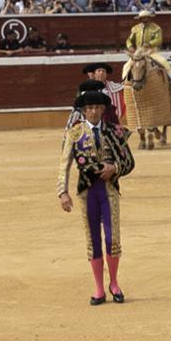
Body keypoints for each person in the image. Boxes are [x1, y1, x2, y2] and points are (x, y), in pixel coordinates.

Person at [57, 87, 135, 306]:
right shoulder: (74, 133)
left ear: (102, 109)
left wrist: (115, 168)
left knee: (112, 239)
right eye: (89, 108)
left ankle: (114, 283)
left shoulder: (115, 131)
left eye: (97, 107)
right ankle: (99, 288)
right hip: (87, 193)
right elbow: (64, 164)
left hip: (109, 191)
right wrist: (62, 192)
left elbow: (129, 162)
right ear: (84, 111)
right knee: (93, 240)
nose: (93, 111)